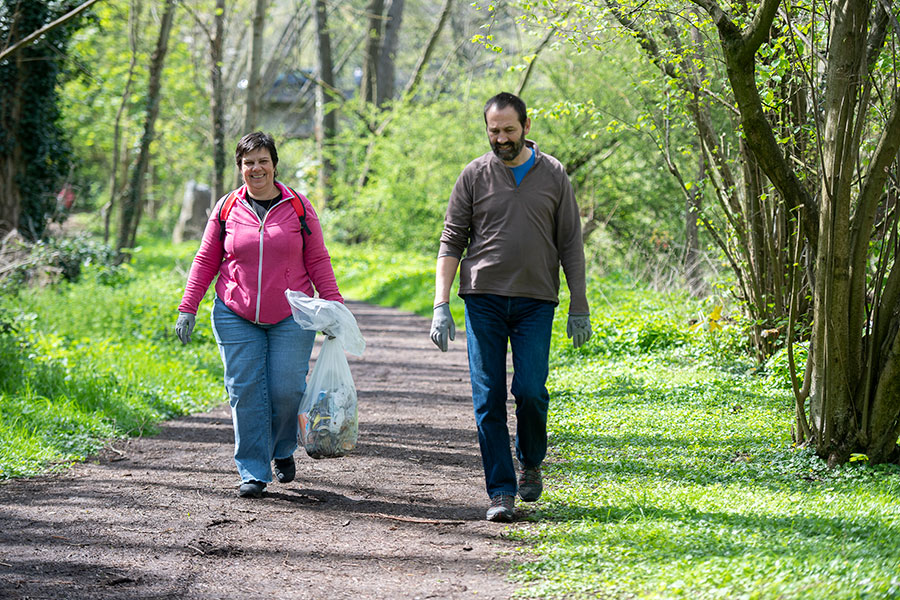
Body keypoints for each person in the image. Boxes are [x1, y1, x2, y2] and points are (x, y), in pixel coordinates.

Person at [430, 92, 593, 522]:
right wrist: (440, 304)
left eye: (508, 130)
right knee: (488, 397)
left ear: (526, 126)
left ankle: (532, 462)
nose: (501, 138)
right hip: (482, 299)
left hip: (536, 301)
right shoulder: (473, 175)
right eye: (493, 130)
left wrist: (580, 304)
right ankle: (501, 490)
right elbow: (451, 241)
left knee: (531, 391)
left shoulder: (554, 174)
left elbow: (570, 244)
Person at [175, 131, 343, 498]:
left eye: (262, 161)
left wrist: (334, 306)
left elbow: (317, 258)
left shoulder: (298, 206)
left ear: (274, 164)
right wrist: (189, 306)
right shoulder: (226, 209)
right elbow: (205, 259)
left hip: (291, 314)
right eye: (248, 162)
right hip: (235, 312)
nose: (256, 168)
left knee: (287, 389)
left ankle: (282, 449)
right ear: (240, 168)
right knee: (245, 390)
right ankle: (253, 470)